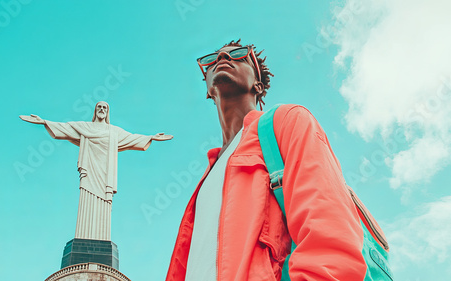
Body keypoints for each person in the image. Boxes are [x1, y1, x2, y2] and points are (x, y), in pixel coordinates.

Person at [165, 40, 389, 280]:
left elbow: (327, 230)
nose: (223, 58)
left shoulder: (285, 122)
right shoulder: (206, 179)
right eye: (213, 58)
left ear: (258, 84)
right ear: (209, 89)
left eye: (239, 56)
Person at [20, 101, 172, 241]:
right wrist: (44, 121)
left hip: (105, 174)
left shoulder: (114, 131)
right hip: (89, 171)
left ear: (107, 112)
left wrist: (151, 137)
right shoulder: (86, 127)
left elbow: (131, 138)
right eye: (99, 107)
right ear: (94, 111)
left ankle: (101, 238)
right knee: (86, 199)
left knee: (104, 204)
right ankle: (84, 236)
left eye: (104, 108)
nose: (101, 110)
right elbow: (66, 128)